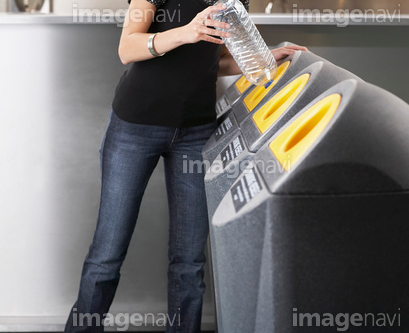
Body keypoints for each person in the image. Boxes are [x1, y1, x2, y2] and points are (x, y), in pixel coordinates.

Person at [64, 0, 307, 332]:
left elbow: (212, 62)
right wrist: (186, 31)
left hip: (195, 131)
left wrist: (261, 58)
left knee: (189, 263)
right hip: (136, 126)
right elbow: (128, 47)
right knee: (107, 255)